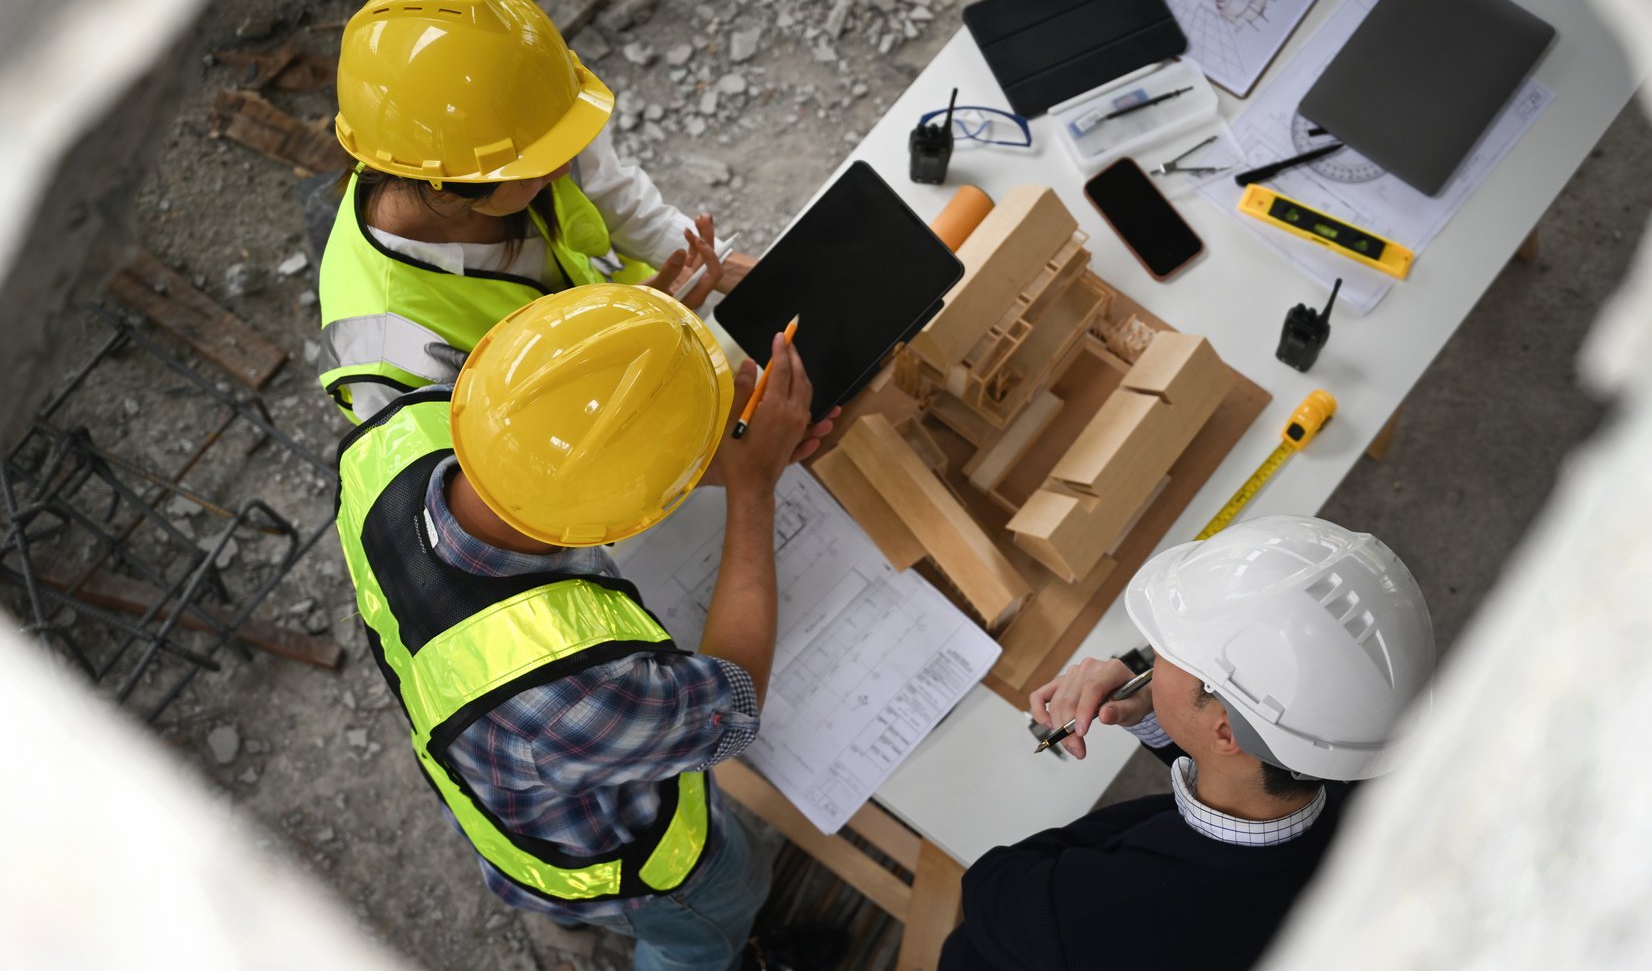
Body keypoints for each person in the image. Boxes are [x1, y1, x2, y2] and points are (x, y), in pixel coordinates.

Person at [335, 283, 844, 971]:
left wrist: (705, 457)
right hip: (630, 867)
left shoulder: (402, 433)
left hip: (489, 772)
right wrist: (752, 491)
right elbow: (735, 701)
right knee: (719, 911)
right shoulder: (566, 695)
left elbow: (556, 456)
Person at [940, 516, 1436, 971]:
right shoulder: (1364, 796)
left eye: (1171, 653)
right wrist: (1163, 715)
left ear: (1224, 729)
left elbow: (990, 886)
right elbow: (1248, 765)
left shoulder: (1089, 916)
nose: (1151, 656)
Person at [318, 0, 755, 425]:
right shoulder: (386, 352)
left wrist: (738, 271)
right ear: (442, 185)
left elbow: (618, 200)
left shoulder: (523, 115)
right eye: (531, 171)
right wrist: (629, 343)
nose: (564, 168)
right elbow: (507, 474)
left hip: (657, 342)